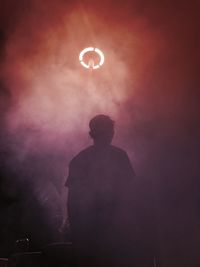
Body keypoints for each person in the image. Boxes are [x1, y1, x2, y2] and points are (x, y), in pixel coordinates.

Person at [65, 114, 135, 267]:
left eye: (110, 131)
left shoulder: (80, 160)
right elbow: (131, 193)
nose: (110, 134)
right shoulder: (119, 156)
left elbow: (72, 202)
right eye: (107, 131)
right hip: (98, 233)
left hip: (104, 233)